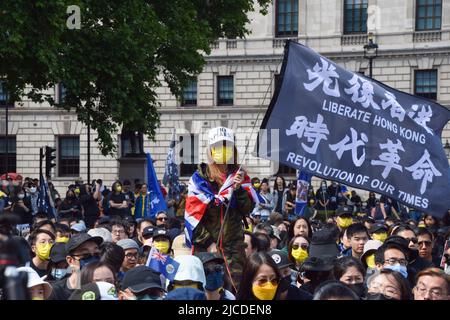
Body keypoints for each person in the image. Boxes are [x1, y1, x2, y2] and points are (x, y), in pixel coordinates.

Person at [188, 127, 255, 292]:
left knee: (236, 291)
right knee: (208, 291)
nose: (223, 150)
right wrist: (209, 243)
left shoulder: (240, 176)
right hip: (207, 250)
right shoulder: (199, 179)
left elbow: (247, 208)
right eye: (218, 146)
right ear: (210, 150)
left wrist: (239, 189)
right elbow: (192, 218)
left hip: (234, 251)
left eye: (227, 145)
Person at [49, 233, 103, 300]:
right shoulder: (56, 292)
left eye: (96, 254)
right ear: (70, 261)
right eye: (86, 255)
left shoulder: (105, 285)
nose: (93, 259)